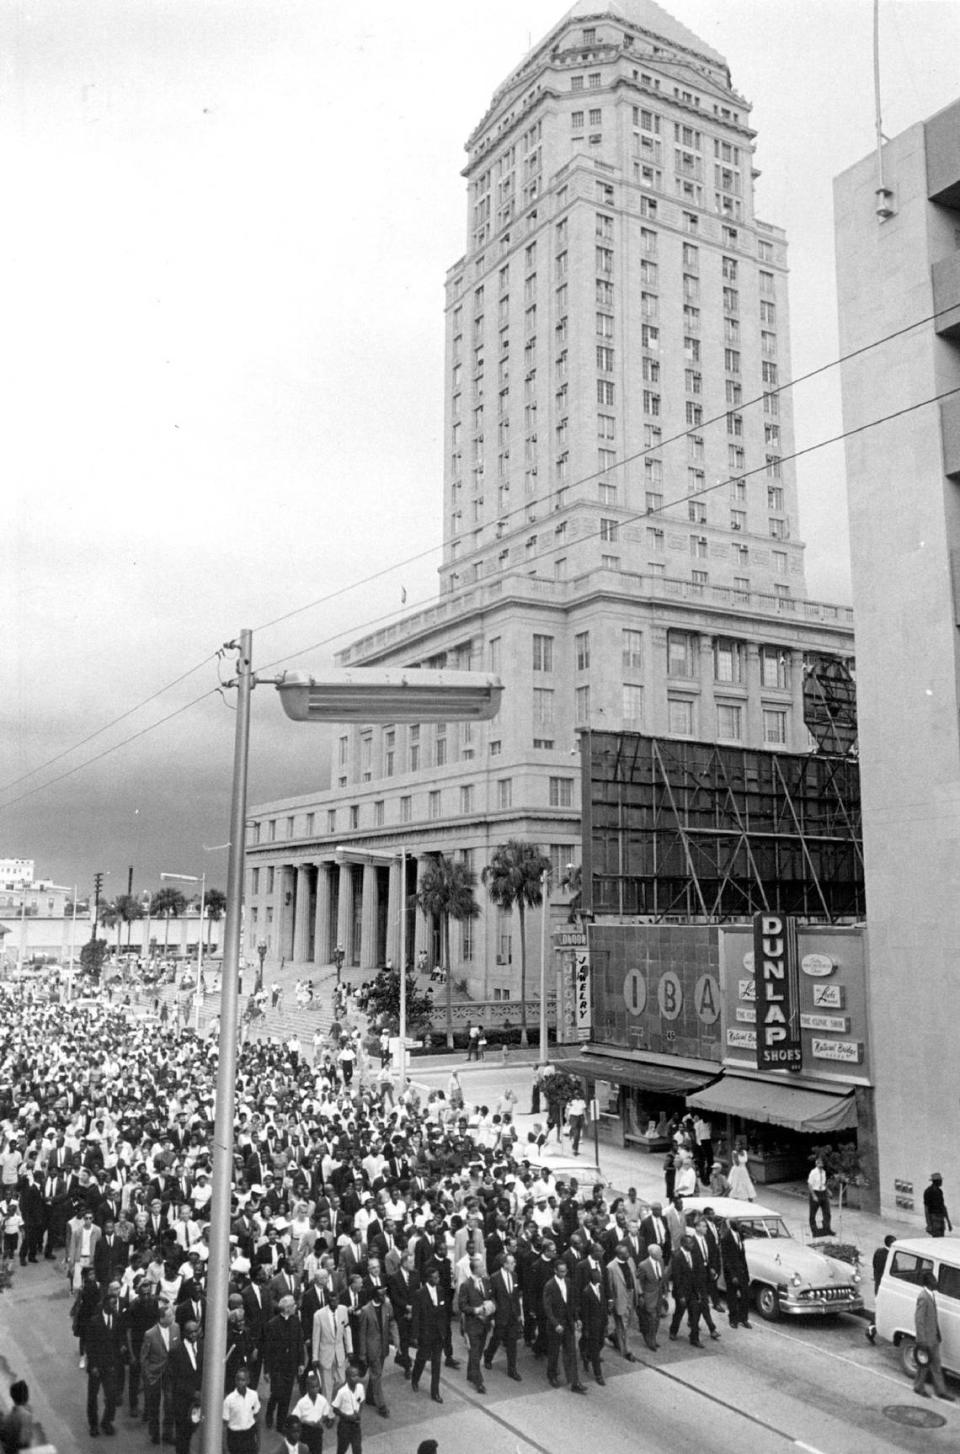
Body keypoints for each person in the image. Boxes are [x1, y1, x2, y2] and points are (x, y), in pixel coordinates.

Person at [542, 1258, 587, 1393]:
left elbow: (571, 1304)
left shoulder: (568, 1282)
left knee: (571, 1352)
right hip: (556, 1325)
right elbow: (547, 1307)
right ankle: (552, 1375)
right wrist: (555, 1324)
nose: (563, 1273)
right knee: (554, 1352)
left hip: (567, 1323)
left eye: (565, 1271)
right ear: (555, 1271)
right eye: (561, 1271)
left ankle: (574, 1381)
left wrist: (577, 1318)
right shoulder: (549, 1285)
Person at [85, 1287, 124, 1436]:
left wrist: (121, 1346)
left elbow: (119, 1337)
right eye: (112, 1304)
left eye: (116, 1304)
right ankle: (93, 1425)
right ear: (105, 1305)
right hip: (96, 1365)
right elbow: (90, 1345)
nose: (114, 1307)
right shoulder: (95, 1321)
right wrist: (93, 1365)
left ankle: (107, 1421)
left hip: (110, 1365)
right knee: (92, 1397)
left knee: (111, 1395)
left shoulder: (117, 1318)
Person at [913, 1270, 957, 1402]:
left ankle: (940, 1391)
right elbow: (919, 1320)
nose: (936, 1282)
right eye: (934, 1280)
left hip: (933, 1338)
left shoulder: (930, 1295)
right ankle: (919, 1387)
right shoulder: (923, 1297)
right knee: (924, 1365)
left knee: (936, 1365)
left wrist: (937, 1334)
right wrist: (921, 1340)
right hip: (926, 1339)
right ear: (928, 1282)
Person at [411, 1267, 447, 1403]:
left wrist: (444, 1331)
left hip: (438, 1333)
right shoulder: (419, 1294)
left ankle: (435, 1392)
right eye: (434, 1277)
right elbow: (416, 1316)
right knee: (421, 1358)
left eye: (438, 1277)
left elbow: (443, 1313)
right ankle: (415, 1378)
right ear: (428, 1278)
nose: (437, 1279)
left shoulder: (441, 1291)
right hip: (425, 1333)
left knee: (436, 1363)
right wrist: (415, 1336)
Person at [718, 1216, 752, 1330]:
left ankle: (744, 1318)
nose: (740, 1226)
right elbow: (726, 1259)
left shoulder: (740, 1236)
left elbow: (742, 1256)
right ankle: (733, 1319)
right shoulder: (726, 1238)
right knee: (732, 1296)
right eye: (738, 1224)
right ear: (732, 1225)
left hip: (742, 1271)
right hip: (732, 1273)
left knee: (745, 1295)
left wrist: (746, 1272)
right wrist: (733, 1275)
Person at [290, 1369, 334, 1454]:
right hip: (305, 1432)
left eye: (317, 1386)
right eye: (312, 1387)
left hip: (317, 1432)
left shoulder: (322, 1400)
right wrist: (307, 1422)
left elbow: (325, 1413)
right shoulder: (302, 1402)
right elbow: (294, 1418)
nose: (315, 1389)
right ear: (307, 1388)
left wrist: (322, 1420)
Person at [222, 1365, 261, 1454]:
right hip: (235, 1438)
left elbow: (257, 1418)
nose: (240, 1382)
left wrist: (258, 1442)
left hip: (249, 1437)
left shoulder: (254, 1395)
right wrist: (225, 1449)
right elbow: (224, 1426)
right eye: (238, 1379)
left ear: (248, 1381)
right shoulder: (229, 1400)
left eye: (243, 1380)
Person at [866, 1235, 896, 1343]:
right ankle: (871, 1329)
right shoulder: (890, 1256)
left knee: (881, 1308)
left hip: (878, 1284)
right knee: (882, 1309)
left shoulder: (878, 1252)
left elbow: (874, 1265)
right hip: (884, 1287)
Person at [331, 1363, 365, 1454]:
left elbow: (361, 1401)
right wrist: (346, 1416)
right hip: (344, 1425)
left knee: (357, 1449)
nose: (356, 1378)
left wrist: (359, 1413)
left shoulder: (360, 1387)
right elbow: (335, 1408)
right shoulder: (342, 1391)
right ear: (347, 1378)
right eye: (353, 1376)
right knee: (342, 1449)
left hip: (356, 1425)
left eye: (357, 1375)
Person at [807, 1157, 832, 1238]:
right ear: (816, 1163)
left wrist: (828, 1191)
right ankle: (815, 1231)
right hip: (816, 1192)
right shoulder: (813, 1172)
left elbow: (824, 1183)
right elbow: (810, 1184)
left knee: (827, 1212)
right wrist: (814, 1195)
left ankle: (827, 1228)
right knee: (813, 1213)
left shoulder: (824, 1172)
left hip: (823, 1193)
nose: (821, 1164)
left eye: (822, 1162)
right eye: (819, 1162)